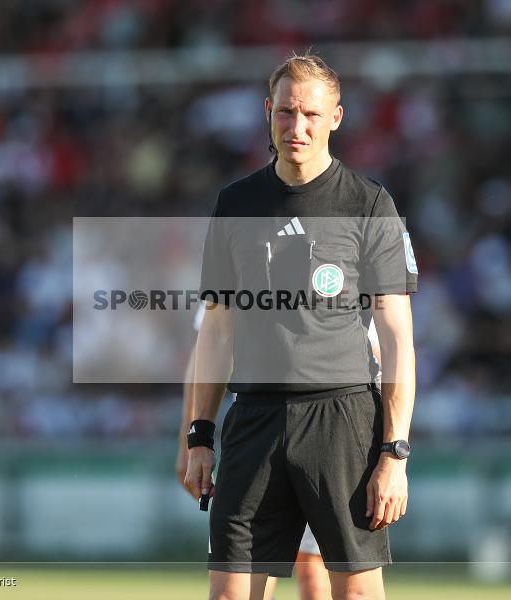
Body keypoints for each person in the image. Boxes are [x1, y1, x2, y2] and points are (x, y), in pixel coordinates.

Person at [185, 54, 417, 600]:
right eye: (286, 112)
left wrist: (395, 453)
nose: (298, 127)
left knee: (354, 594)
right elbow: (216, 331)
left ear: (336, 117)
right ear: (269, 113)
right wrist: (199, 433)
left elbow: (398, 338)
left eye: (311, 114)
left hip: (343, 421)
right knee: (228, 595)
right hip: (254, 420)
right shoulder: (235, 205)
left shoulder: (369, 204)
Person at [177, 306, 383, 600]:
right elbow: (209, 343)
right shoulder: (238, 264)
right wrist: (193, 440)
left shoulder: (348, 270)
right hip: (258, 429)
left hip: (334, 428)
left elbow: (382, 350)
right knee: (246, 576)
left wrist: (388, 449)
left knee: (315, 575)